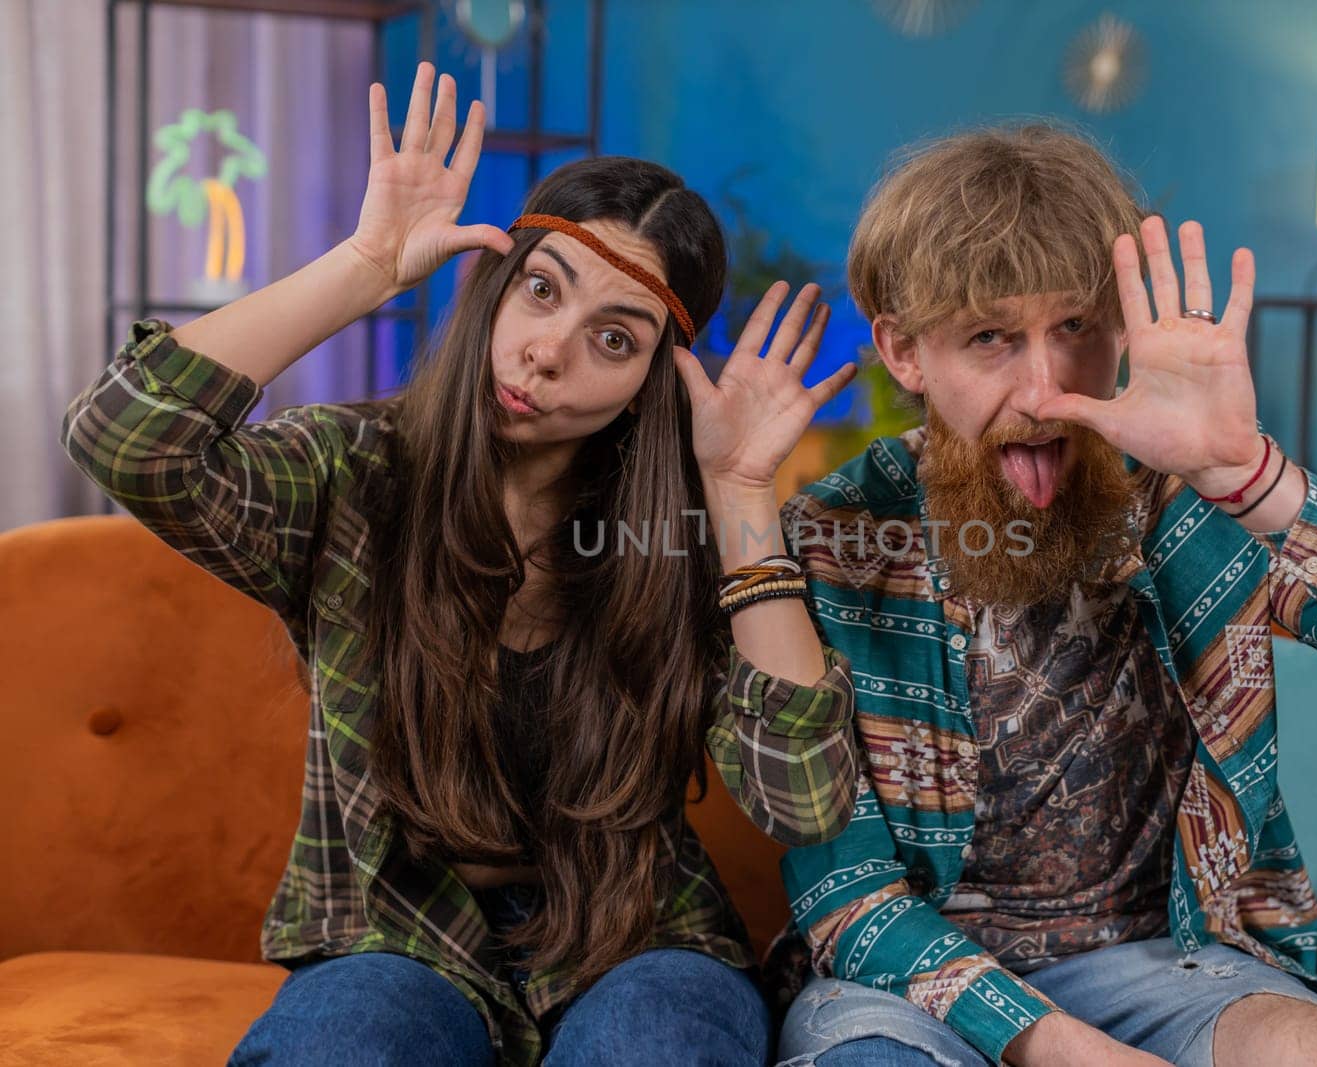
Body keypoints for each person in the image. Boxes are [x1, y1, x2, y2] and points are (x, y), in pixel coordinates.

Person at [62, 63, 860, 1066]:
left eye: (612, 338)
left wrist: (744, 495)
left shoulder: (681, 542)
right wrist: (362, 266)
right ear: (495, 282)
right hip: (396, 938)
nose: (546, 352)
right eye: (540, 292)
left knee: (655, 1043)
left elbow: (808, 800)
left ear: (648, 383)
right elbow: (125, 436)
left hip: (637, 945)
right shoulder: (350, 476)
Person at [768, 124, 1317, 1067]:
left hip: (1169, 960)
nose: (1044, 390)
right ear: (906, 352)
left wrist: (1250, 474)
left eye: (1075, 327)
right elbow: (846, 898)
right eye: (991, 337)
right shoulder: (831, 541)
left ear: (1119, 329)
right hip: (912, 987)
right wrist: (1067, 1050)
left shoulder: (1195, 500)